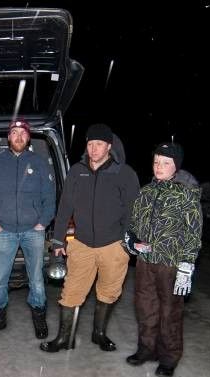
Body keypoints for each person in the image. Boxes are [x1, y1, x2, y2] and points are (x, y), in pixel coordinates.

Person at [41, 123, 140, 353]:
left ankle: (99, 333)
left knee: (108, 291)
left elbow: (133, 211)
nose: (94, 149)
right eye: (90, 143)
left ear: (109, 146)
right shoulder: (77, 171)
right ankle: (64, 338)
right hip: (82, 244)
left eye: (99, 144)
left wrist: (126, 243)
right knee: (71, 292)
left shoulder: (124, 173)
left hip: (113, 245)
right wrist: (58, 240)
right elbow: (65, 206)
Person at [124, 141, 203, 377]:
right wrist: (131, 241)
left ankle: (169, 357)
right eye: (156, 162)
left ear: (175, 167)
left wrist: (187, 264)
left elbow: (193, 232)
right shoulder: (146, 192)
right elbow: (134, 223)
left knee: (170, 312)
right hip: (145, 261)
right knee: (145, 307)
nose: (159, 166)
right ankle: (147, 349)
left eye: (165, 163)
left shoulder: (186, 195)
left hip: (171, 263)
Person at [0, 119, 56, 339]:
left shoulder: (39, 162)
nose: (19, 136)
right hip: (3, 230)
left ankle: (39, 315)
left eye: (23, 133)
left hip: (33, 230)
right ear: (8, 137)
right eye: (14, 132)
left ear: (28, 137)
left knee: (37, 279)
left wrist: (43, 221)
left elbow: (49, 196)